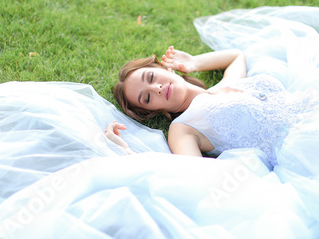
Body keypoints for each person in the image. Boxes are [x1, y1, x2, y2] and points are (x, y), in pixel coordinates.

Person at [105, 44, 311, 167]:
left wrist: (195, 63)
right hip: (303, 152)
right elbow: (197, 175)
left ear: (165, 68)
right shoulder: (183, 129)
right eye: (147, 98)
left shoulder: (228, 84)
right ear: (152, 111)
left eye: (151, 77)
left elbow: (237, 56)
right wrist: (124, 149)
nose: (156, 88)